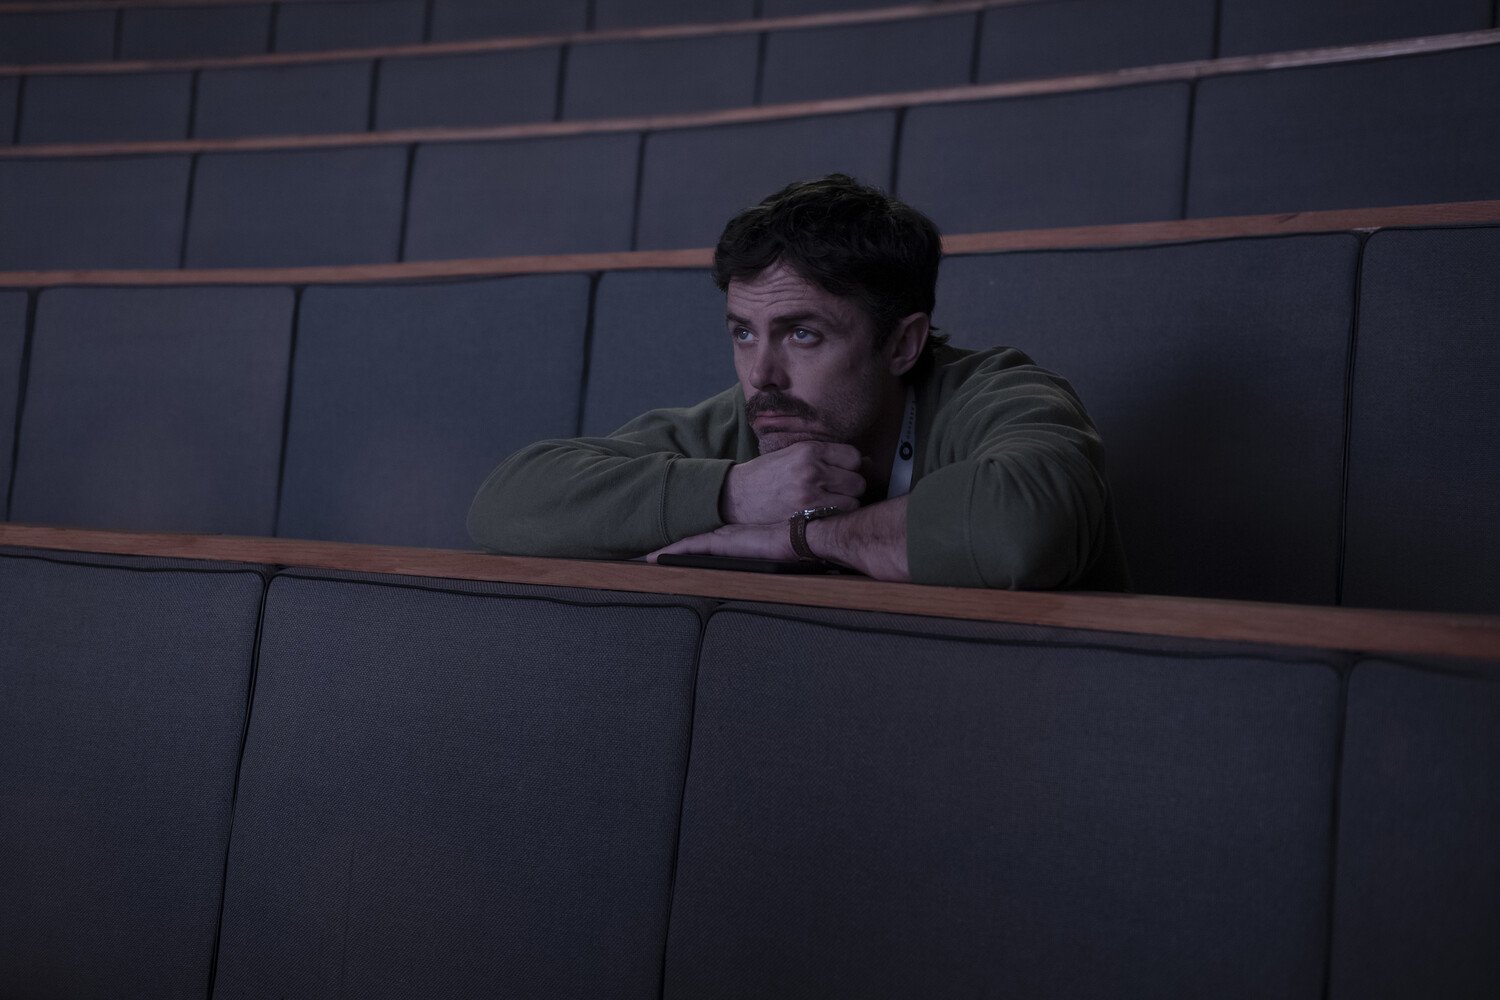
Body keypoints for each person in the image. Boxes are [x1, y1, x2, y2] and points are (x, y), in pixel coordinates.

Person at [468, 174, 1128, 590]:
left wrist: (801, 537)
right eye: (743, 332)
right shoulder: (752, 416)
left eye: (802, 334)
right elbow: (507, 504)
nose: (761, 374)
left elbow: (1021, 528)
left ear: (903, 344)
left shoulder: (997, 393)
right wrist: (733, 494)